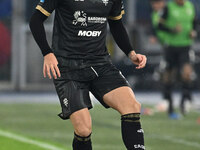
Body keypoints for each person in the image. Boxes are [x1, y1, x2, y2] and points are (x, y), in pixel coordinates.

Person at [29, 0, 147, 150]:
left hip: (100, 64)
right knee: (83, 130)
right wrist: (47, 53)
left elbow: (116, 24)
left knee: (132, 106)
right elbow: (35, 20)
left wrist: (131, 53)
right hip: (68, 67)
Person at [157, 0, 197, 118]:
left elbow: (194, 22)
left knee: (187, 73)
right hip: (171, 46)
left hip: (185, 46)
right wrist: (172, 30)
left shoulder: (190, 6)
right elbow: (160, 25)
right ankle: (169, 103)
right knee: (169, 75)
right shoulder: (168, 8)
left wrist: (194, 32)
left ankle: (184, 101)